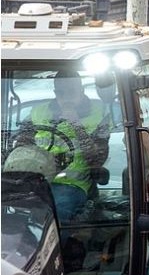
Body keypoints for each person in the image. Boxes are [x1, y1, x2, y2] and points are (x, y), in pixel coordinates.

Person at [28, 71, 110, 222]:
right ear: (55, 93)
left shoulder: (99, 113)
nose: (66, 97)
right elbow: (19, 144)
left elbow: (96, 160)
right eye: (60, 93)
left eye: (71, 92)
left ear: (81, 90)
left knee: (55, 212)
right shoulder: (38, 112)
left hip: (72, 184)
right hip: (37, 180)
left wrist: (75, 123)